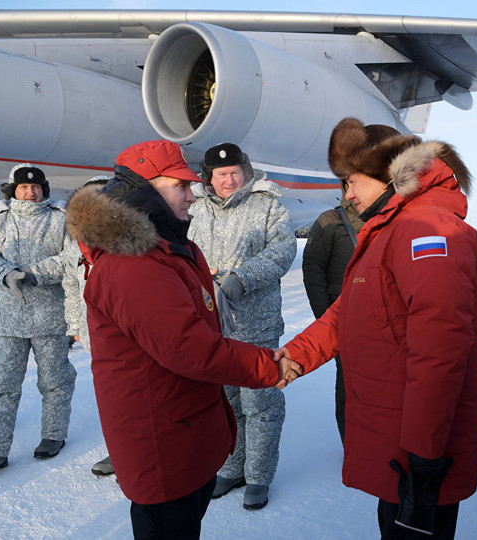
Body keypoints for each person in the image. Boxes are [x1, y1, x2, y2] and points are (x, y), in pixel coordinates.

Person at [65, 139, 300, 538]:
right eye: (182, 186)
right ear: (147, 188)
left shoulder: (168, 247)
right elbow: (189, 348)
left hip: (182, 428)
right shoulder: (133, 263)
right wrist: (266, 366)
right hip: (162, 444)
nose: (192, 196)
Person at [276, 118, 477, 539]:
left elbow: (440, 352)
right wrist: (296, 354)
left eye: (351, 181)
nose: (347, 195)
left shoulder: (427, 230)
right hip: (399, 440)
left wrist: (425, 460)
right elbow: (347, 311)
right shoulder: (391, 228)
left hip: (419, 451)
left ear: (387, 175)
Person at [187, 142, 296, 510]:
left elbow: (282, 251)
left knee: (261, 402)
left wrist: (240, 278)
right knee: (226, 402)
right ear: (210, 178)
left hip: (258, 324)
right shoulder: (197, 210)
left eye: (235, 172)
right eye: (221, 174)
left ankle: (259, 476)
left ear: (245, 171)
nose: (229, 179)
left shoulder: (266, 206)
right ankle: (232, 467)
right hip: (213, 324)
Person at [0, 164, 75, 472]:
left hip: (49, 318)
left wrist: (32, 273)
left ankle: (53, 435)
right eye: (23, 188)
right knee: (1, 384)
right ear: (13, 191)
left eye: (35, 188)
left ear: (44, 190)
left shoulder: (60, 221)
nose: (30, 193)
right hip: (8, 321)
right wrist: (6, 274)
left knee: (55, 381)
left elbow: (71, 257)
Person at [301, 182, 364, 443]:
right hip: (344, 320)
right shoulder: (330, 220)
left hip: (382, 320)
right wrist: (325, 318)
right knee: (349, 384)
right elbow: (313, 267)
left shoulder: (389, 217)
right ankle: (352, 444)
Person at [62, 175, 115, 476]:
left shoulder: (133, 238)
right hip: (93, 332)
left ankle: (146, 455)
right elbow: (71, 285)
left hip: (128, 333)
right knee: (109, 398)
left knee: (142, 395)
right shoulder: (76, 244)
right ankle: (119, 450)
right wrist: (75, 325)